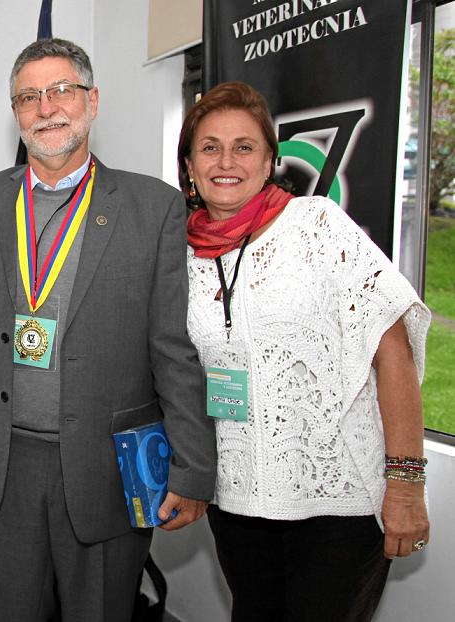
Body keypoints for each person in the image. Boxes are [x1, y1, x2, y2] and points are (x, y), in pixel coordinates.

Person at [0, 38, 217, 622]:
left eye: (62, 90)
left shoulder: (154, 206)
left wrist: (192, 469)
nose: (47, 108)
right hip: (1, 467)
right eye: (29, 97)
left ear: (92, 101)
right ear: (15, 113)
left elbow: (171, 347)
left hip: (106, 472)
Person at [178, 81, 431, 622]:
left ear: (270, 160)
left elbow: (394, 350)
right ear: (190, 166)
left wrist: (406, 483)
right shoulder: (179, 255)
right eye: (210, 147)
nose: (227, 161)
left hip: (337, 502)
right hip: (236, 500)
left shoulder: (318, 226)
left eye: (244, 147)